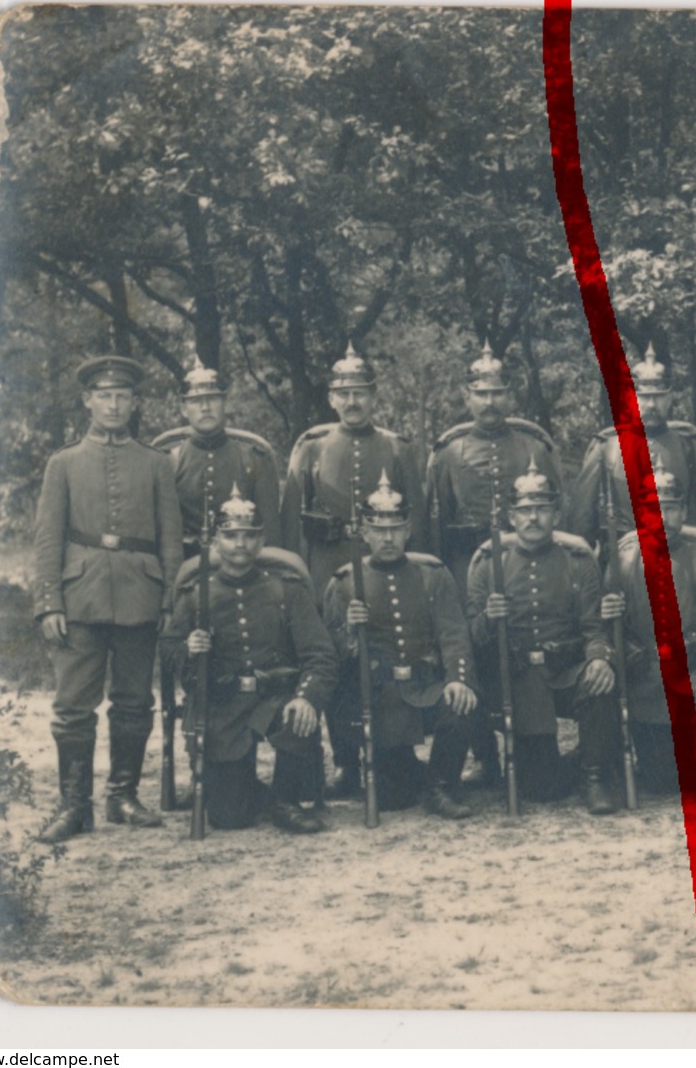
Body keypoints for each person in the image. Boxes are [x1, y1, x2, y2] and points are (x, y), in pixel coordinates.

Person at [33, 355, 183, 842]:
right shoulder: (63, 463)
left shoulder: (157, 463)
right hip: (80, 597)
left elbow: (171, 539)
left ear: (135, 402)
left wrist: (169, 601)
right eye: (105, 396)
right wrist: (49, 602)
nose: (114, 404)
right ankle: (75, 806)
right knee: (74, 705)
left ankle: (123, 795)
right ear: (88, 401)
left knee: (135, 701)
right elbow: (48, 539)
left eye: (122, 396)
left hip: (142, 593)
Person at [283, 343, 428, 798]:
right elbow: (290, 529)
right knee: (337, 661)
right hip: (328, 568)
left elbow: (418, 524)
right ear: (331, 397)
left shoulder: (397, 449)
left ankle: (394, 753)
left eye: (360, 392)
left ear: (374, 396)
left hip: (387, 567)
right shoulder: (310, 450)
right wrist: (297, 585)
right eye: (343, 393)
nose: (352, 402)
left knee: (388, 651)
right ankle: (346, 761)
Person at [163, 486, 335, 833]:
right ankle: (260, 796)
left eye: (249, 536)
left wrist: (306, 697)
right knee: (229, 818)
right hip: (223, 705)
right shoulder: (196, 595)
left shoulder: (286, 590)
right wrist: (189, 647)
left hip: (275, 699)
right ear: (215, 543)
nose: (240, 544)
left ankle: (286, 801)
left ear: (261, 542)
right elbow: (167, 649)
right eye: (230, 536)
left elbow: (321, 654)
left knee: (295, 715)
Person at [322, 471, 480, 819]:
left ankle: (442, 785)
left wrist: (457, 677)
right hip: (378, 696)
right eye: (379, 530)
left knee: (461, 703)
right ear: (364, 533)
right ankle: (410, 773)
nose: (388, 537)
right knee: (395, 798)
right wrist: (350, 630)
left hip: (425, 687)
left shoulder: (433, 575)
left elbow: (453, 635)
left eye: (396, 528)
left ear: (408, 530)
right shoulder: (344, 583)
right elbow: (329, 655)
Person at [466, 459, 617, 811]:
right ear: (511, 516)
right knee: (541, 789)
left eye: (542, 509)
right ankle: (570, 764)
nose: (533, 518)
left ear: (556, 514)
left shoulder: (577, 560)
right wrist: (490, 618)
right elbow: (470, 636)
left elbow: (594, 627)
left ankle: (595, 776)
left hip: (565, 672)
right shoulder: (488, 563)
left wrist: (598, 658)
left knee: (601, 682)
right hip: (518, 679)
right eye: (525, 510)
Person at [600, 455, 696, 802]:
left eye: (672, 509)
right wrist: (608, 613)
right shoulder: (622, 556)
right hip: (647, 679)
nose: (663, 518)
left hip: (694, 670)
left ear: (684, 512)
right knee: (661, 781)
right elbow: (608, 626)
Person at [566, 345, 696, 545]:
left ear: (670, 398)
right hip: (625, 556)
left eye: (659, 396)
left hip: (684, 553)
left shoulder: (690, 444)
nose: (651, 405)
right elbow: (582, 515)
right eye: (644, 397)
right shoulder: (608, 447)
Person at [427, 342, 561, 593]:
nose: (490, 401)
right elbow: (438, 522)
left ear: (510, 396)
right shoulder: (449, 453)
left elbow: (556, 511)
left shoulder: (534, 447)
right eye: (481, 394)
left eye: (498, 393)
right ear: (467, 398)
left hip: (525, 560)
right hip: (465, 563)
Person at [153, 355, 284, 557]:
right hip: (185, 566)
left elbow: (269, 533)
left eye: (213, 399)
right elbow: (159, 529)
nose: (205, 408)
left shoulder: (254, 456)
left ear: (225, 403)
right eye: (196, 401)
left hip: (242, 566)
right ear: (183, 409)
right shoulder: (168, 459)